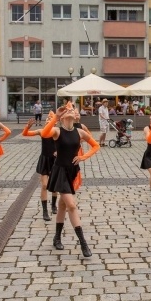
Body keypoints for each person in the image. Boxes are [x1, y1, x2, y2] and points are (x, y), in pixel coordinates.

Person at [43, 103, 100, 256]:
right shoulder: (57, 131)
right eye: (67, 110)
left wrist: (83, 157)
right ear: (63, 117)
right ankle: (83, 243)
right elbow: (45, 133)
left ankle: (56, 237)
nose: (71, 111)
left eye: (73, 110)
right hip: (60, 171)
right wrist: (56, 116)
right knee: (71, 205)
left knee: (62, 205)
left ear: (76, 115)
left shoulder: (80, 132)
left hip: (72, 171)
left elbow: (96, 146)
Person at [22, 112, 59, 222]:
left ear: (55, 122)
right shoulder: (41, 131)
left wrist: (59, 151)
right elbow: (25, 134)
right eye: (47, 118)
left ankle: (53, 204)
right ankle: (45, 211)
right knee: (44, 185)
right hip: (44, 159)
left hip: (55, 160)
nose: (48, 120)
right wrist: (27, 127)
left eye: (50, 119)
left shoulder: (58, 131)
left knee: (54, 185)